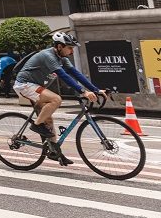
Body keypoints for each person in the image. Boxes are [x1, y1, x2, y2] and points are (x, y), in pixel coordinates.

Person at [13, 32, 104, 165]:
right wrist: (83, 92)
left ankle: (54, 152)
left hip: (36, 85)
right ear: (60, 46)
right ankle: (36, 125)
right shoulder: (48, 56)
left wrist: (96, 89)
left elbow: (75, 74)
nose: (72, 51)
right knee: (56, 99)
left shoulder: (62, 58)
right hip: (24, 84)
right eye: (70, 48)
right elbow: (64, 76)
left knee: (48, 119)